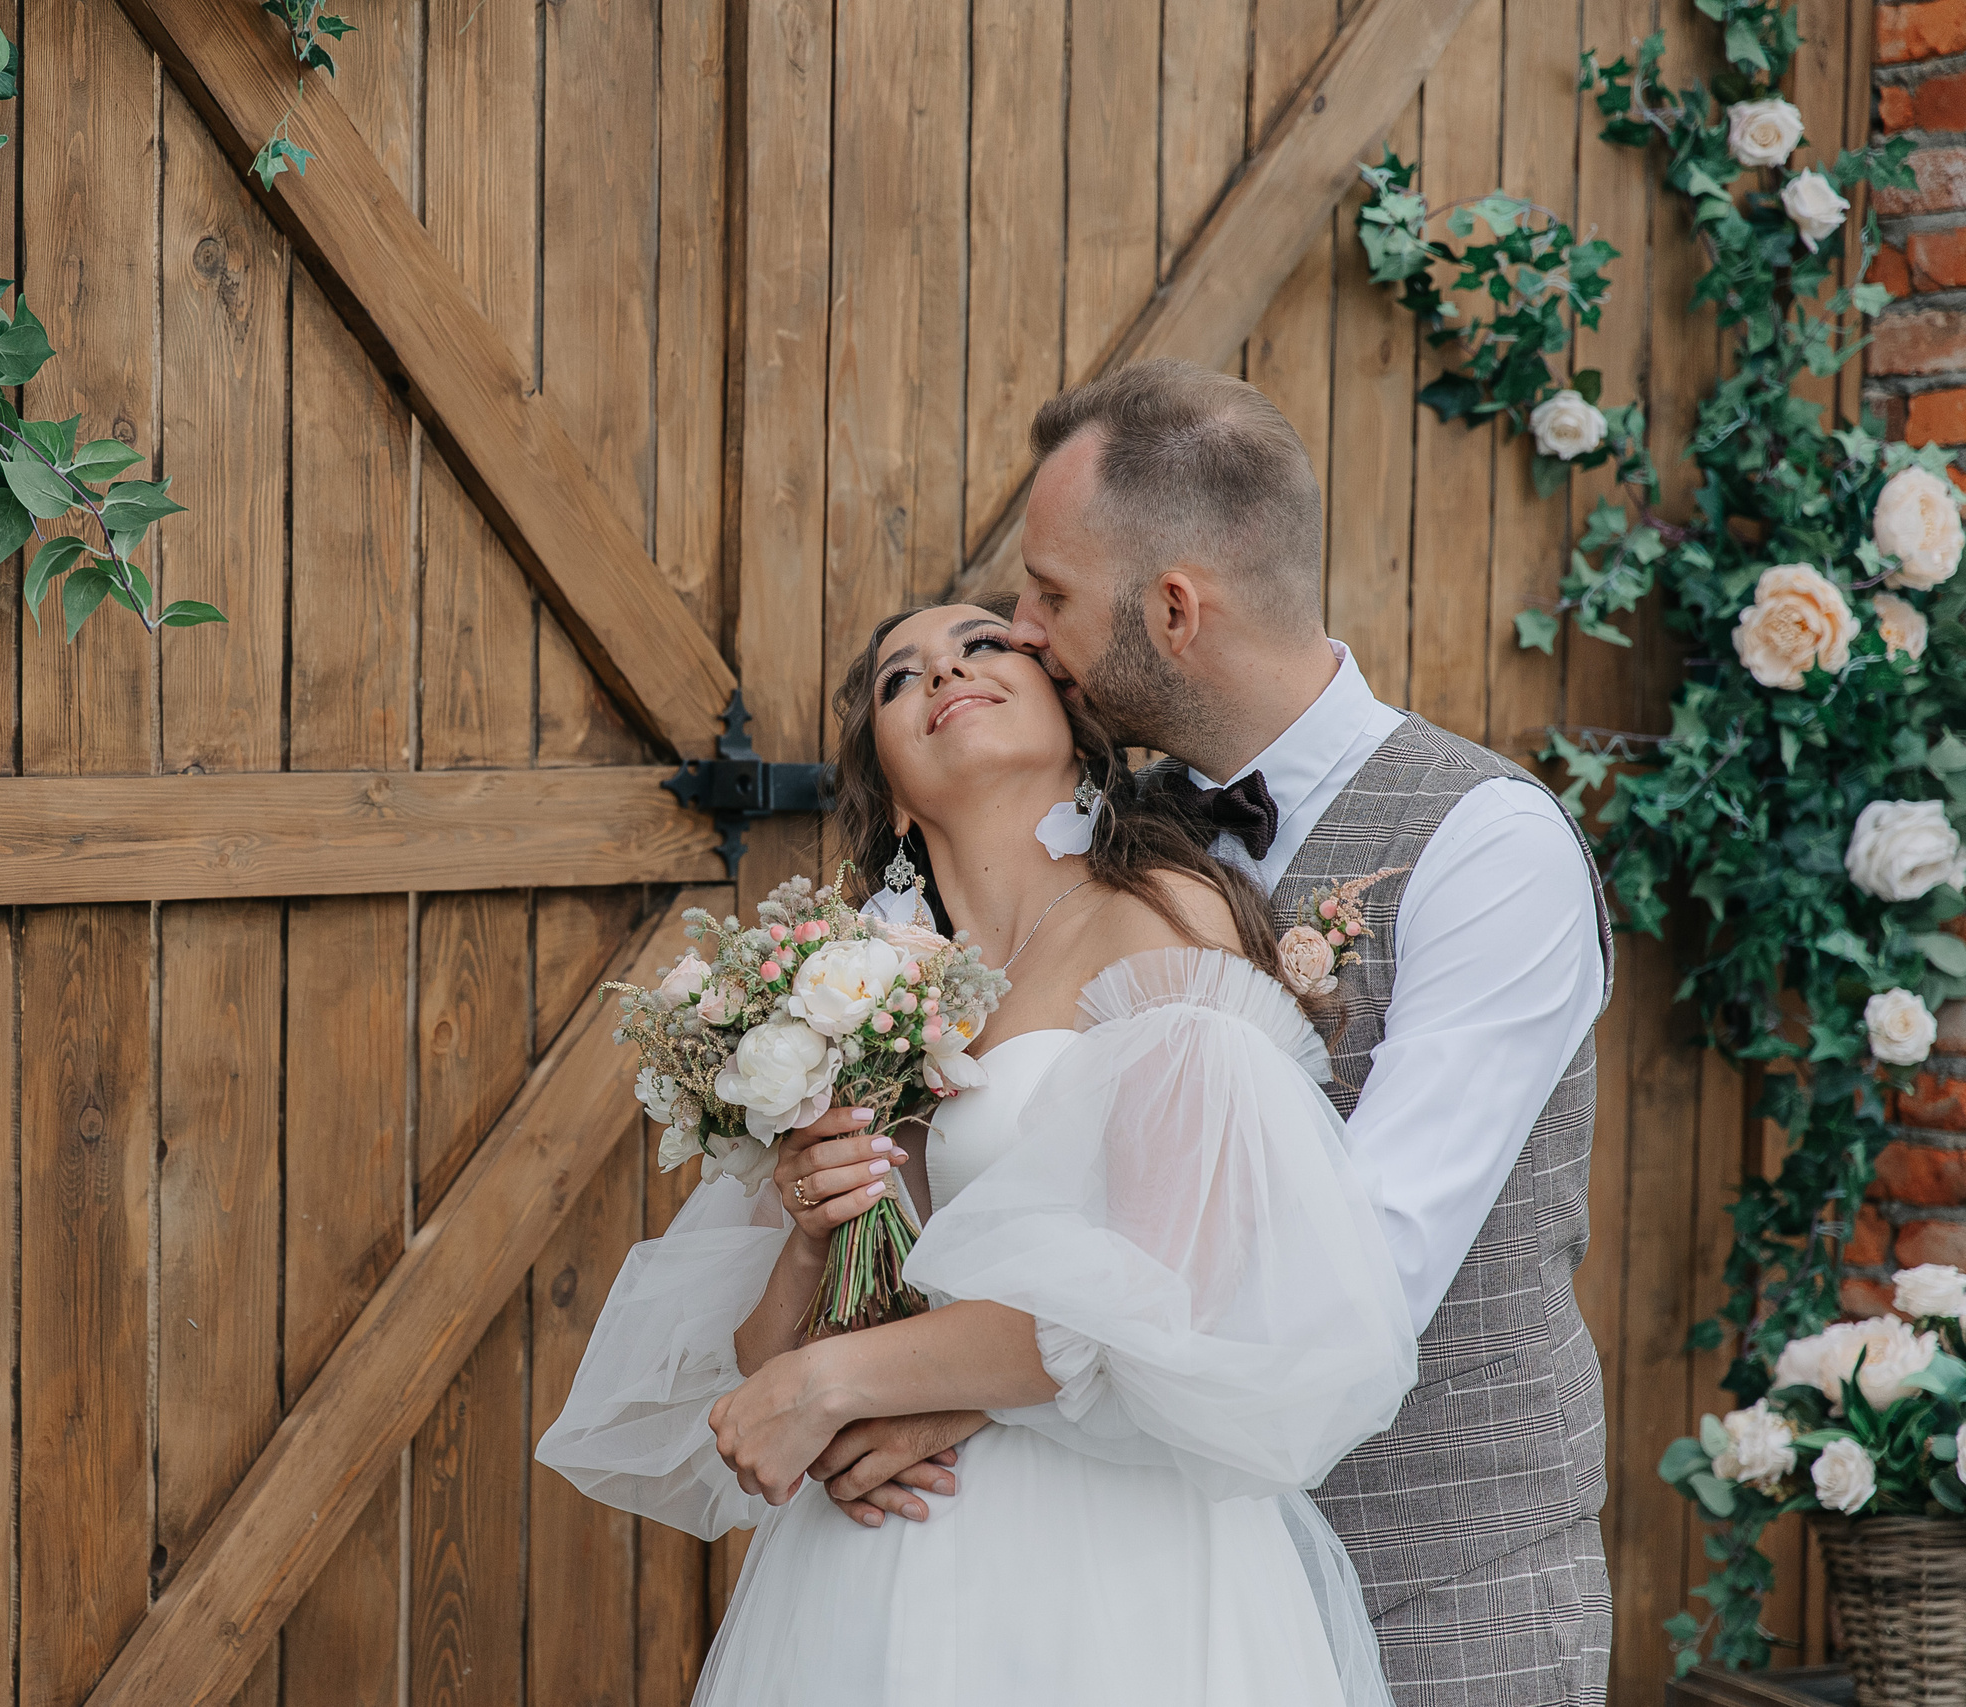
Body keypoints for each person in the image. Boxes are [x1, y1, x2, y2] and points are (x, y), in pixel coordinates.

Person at [535, 598, 1418, 1706]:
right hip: (879, 1558)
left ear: (1073, 723)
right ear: (894, 793)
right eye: (899, 677)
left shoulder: (1160, 917)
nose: (944, 667)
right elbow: (766, 1373)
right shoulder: (851, 1000)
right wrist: (811, 1242)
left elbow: (1180, 1288)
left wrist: (837, 1380)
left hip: (1109, 1561)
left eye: (984, 643)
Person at [1005, 359, 1614, 1707]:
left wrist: (963, 1388)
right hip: (1149, 1590)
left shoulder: (1488, 843)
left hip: (1433, 1593)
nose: (1024, 630)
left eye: (1050, 592)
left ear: (1173, 608)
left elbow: (1363, 1270)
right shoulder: (1093, 843)